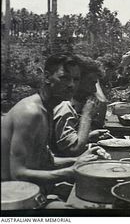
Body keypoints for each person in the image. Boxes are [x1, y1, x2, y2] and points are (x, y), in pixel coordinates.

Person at [1, 53, 108, 206]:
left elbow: (42, 160)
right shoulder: (31, 113)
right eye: (64, 78)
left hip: (33, 191)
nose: (71, 85)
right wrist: (69, 172)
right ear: (47, 77)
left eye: (76, 79)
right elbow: (18, 173)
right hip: (14, 199)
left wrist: (78, 160)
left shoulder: (49, 107)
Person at [52, 56, 110, 157]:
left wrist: (88, 136)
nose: (94, 90)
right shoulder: (64, 106)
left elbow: (64, 142)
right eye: (92, 83)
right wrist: (87, 115)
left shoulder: (70, 104)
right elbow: (73, 149)